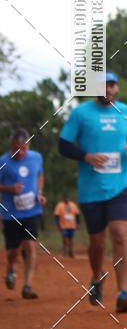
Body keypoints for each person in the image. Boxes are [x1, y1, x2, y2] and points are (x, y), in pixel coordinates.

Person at [58, 72, 127, 313]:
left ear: (117, 88)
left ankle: (123, 292)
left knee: (121, 236)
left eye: (111, 85)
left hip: (122, 184)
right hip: (92, 188)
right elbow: (63, 145)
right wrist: (86, 156)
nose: (107, 89)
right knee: (97, 242)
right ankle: (97, 276)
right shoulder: (80, 113)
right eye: (103, 85)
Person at [0, 128, 45, 299]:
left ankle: (27, 286)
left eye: (23, 149)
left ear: (28, 146)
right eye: (16, 149)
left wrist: (39, 193)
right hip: (10, 213)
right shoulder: (3, 162)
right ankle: (11, 268)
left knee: (30, 246)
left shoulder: (36, 157)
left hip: (32, 211)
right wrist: (10, 188)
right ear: (11, 145)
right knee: (13, 251)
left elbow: (40, 175)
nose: (20, 153)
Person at [54, 193, 80, 258]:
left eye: (68, 198)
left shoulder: (73, 205)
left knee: (71, 239)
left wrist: (78, 223)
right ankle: (65, 251)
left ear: (69, 198)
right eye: (66, 198)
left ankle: (71, 251)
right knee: (65, 239)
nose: (67, 199)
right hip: (63, 225)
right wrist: (58, 224)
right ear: (64, 199)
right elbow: (56, 216)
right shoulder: (60, 205)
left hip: (72, 225)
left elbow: (77, 215)